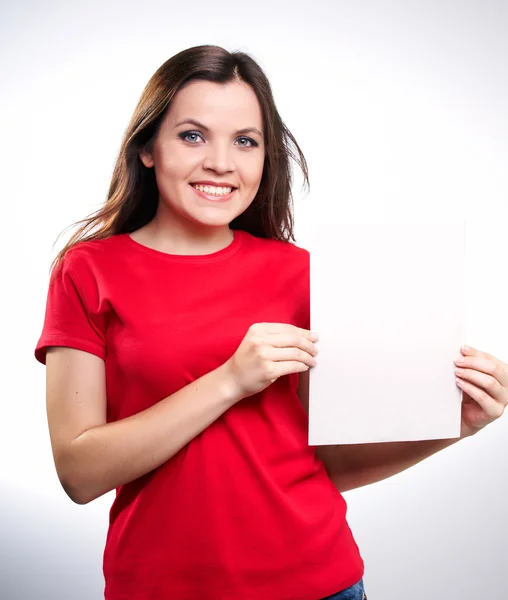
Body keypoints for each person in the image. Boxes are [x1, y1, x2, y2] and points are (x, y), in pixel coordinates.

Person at [34, 45, 507, 600]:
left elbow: (324, 461)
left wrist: (453, 424)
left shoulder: (301, 273)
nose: (220, 162)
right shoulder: (88, 271)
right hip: (158, 586)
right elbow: (79, 473)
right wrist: (230, 380)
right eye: (192, 135)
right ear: (146, 148)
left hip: (318, 582)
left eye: (245, 141)